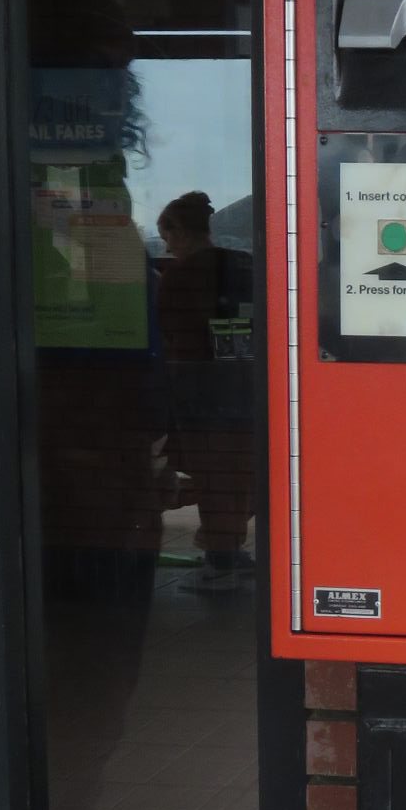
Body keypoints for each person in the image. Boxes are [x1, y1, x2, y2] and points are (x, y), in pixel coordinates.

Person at [155, 190, 255, 591]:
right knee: (235, 471)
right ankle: (229, 548)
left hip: (197, 388)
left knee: (210, 472)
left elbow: (167, 333)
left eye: (167, 237)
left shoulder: (180, 276)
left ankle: (220, 559)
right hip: (245, 384)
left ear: (181, 232)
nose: (167, 247)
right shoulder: (241, 264)